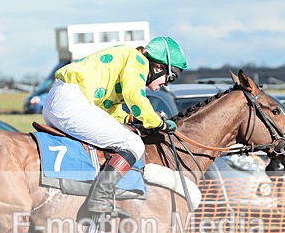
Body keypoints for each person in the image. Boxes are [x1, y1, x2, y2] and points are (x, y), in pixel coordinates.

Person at [42, 36, 188, 217]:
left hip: (60, 100)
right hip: (70, 102)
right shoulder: (137, 61)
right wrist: (158, 123)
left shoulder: (127, 60)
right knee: (134, 144)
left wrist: (131, 119)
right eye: (171, 77)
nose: (166, 84)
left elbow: (109, 109)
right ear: (158, 67)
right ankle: (100, 198)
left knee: (123, 135)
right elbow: (135, 97)